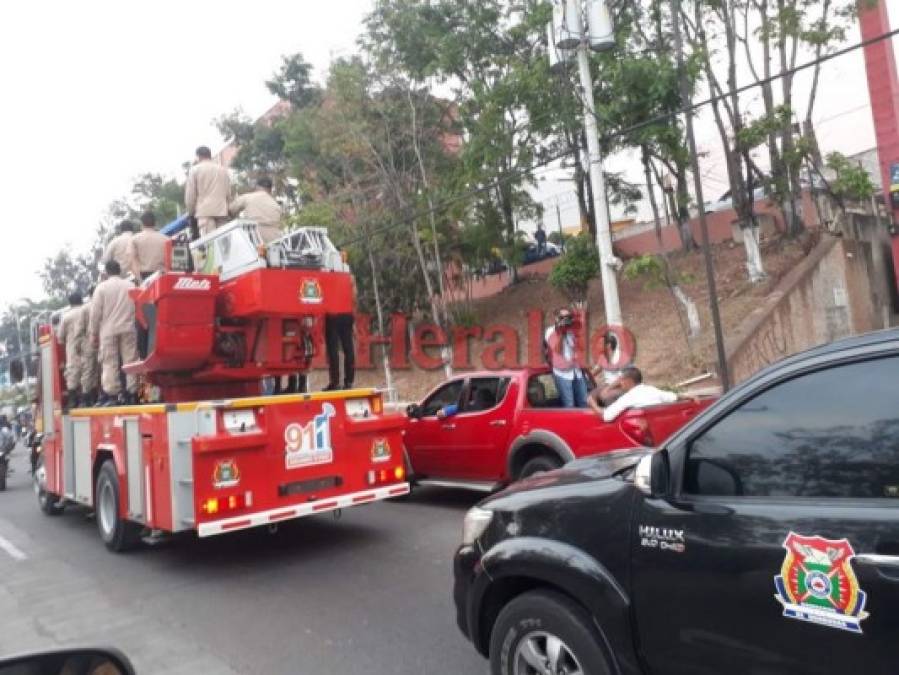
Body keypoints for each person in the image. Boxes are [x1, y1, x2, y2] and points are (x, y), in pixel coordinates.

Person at [89, 261, 138, 405]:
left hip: (108, 330)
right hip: (128, 327)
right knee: (131, 361)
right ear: (120, 270)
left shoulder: (101, 288)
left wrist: (93, 333)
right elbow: (137, 305)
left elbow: (95, 313)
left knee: (110, 362)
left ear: (106, 272)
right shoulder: (130, 286)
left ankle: (112, 396)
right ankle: (132, 393)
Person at [588, 366, 678, 422]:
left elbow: (607, 416)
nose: (620, 383)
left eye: (621, 380)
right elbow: (674, 397)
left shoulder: (628, 398)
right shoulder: (652, 390)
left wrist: (593, 403)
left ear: (629, 381)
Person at [544, 307, 587, 408]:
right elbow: (557, 350)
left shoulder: (571, 330)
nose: (566, 320)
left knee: (584, 402)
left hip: (576, 372)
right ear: (556, 318)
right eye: (562, 317)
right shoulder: (550, 331)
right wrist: (561, 333)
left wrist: (578, 333)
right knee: (569, 404)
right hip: (562, 374)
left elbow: (581, 347)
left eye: (568, 317)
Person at [185, 145, 232, 237]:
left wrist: (191, 212)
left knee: (211, 245)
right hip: (222, 212)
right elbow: (228, 193)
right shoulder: (223, 170)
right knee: (224, 245)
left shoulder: (195, 170)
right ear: (210, 155)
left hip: (205, 212)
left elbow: (190, 196)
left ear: (198, 156)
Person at [228, 176, 283, 243]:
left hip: (254, 237)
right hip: (274, 240)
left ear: (257, 186)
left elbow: (231, 210)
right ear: (270, 189)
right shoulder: (276, 205)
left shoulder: (248, 197)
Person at [324, 278, 356, 391]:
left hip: (332, 313)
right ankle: (349, 381)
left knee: (333, 350)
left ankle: (335, 382)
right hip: (347, 313)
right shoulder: (349, 277)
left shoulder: (328, 275)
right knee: (348, 348)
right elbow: (354, 296)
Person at [56, 291, 85, 405]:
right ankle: (88, 398)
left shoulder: (66, 317)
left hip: (72, 348)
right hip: (89, 346)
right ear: (81, 301)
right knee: (89, 371)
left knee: (73, 373)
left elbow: (60, 338)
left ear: (70, 303)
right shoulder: (87, 311)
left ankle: (73, 400)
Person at [130, 211, 168, 282]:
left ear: (142, 223)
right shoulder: (166, 239)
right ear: (155, 223)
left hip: (144, 275)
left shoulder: (135, 239)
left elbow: (132, 262)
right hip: (162, 275)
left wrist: (140, 280)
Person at [78, 286, 100, 406]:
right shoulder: (103, 304)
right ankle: (99, 396)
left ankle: (87, 397)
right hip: (103, 340)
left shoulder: (85, 308)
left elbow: (80, 328)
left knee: (88, 370)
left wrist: (77, 345)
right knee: (101, 369)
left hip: (88, 341)